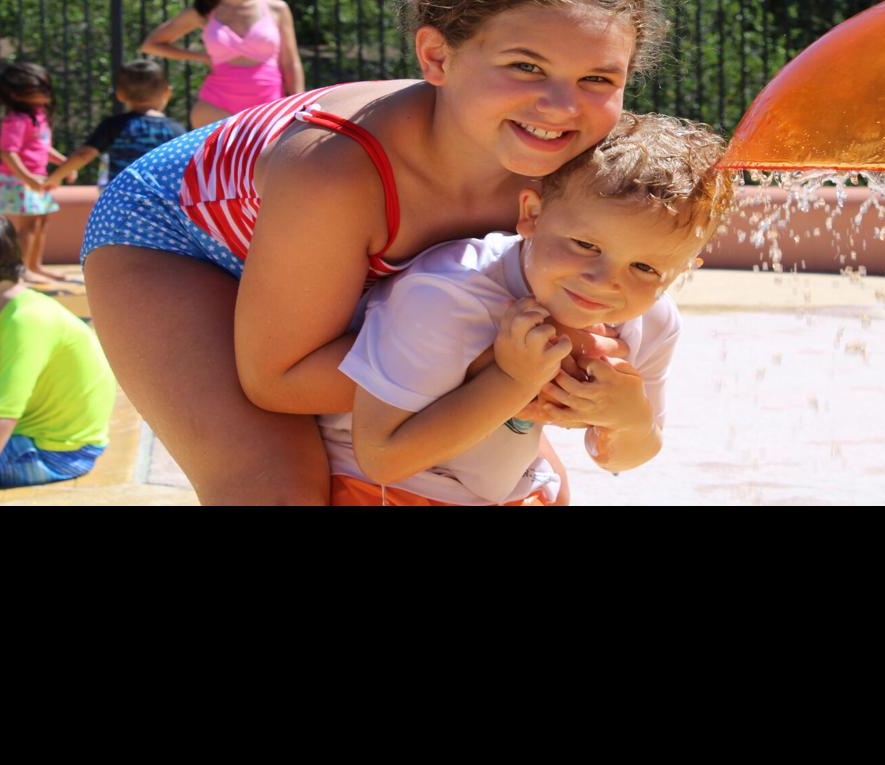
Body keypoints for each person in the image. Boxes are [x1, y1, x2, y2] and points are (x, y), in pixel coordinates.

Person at [82, 0, 667, 504]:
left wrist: (567, 371)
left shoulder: (577, 165)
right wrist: (504, 372)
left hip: (340, 258)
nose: (562, 105)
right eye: (525, 66)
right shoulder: (336, 170)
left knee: (532, 487)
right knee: (276, 487)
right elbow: (280, 378)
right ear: (437, 57)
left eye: (598, 79)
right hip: (176, 242)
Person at [322, 112, 730, 506]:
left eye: (644, 267)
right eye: (586, 246)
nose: (604, 280)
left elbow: (624, 457)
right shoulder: (444, 296)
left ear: (680, 272)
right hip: (376, 489)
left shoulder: (653, 321)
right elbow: (381, 459)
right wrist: (513, 381)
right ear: (532, 214)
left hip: (510, 488)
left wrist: (629, 419)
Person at [0, 206, 116, 502]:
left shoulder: (26, 321)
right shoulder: (12, 317)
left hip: (56, 452)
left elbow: (2, 419)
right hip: (43, 439)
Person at [140, 0, 306, 128]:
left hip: (268, 103)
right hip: (215, 105)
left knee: (265, 170)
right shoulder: (205, 10)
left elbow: (291, 61)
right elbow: (152, 44)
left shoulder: (276, 7)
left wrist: (299, 103)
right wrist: (203, 57)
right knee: (217, 171)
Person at [43, 61, 187, 189]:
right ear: (167, 92)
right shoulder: (175, 129)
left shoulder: (115, 125)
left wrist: (56, 177)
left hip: (122, 197)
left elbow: (84, 154)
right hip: (163, 200)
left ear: (119, 94)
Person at [0, 62, 73, 285]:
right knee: (28, 226)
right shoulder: (16, 120)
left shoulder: (37, 116)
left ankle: (35, 265)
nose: (46, 93)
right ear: (15, 94)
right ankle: (23, 268)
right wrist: (27, 178)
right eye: (38, 88)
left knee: (40, 222)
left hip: (36, 180)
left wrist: (65, 164)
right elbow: (8, 152)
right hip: (19, 181)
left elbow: (41, 147)